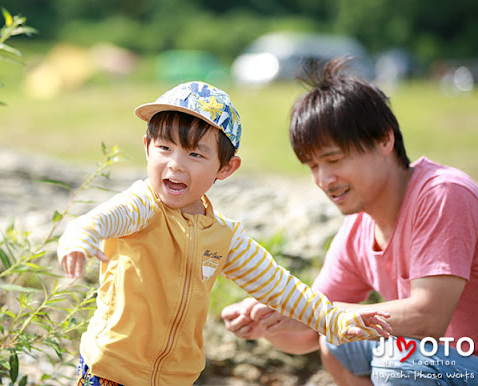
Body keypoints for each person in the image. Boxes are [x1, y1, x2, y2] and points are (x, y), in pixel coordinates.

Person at [58, 81, 392, 386]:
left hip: (176, 380)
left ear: (225, 168)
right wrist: (81, 236)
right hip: (110, 373)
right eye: (164, 148)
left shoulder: (223, 236)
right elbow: (103, 218)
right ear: (147, 147)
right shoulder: (143, 206)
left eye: (194, 154)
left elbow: (278, 285)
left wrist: (332, 320)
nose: (175, 164)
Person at [221, 57, 478, 385]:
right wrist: (268, 321)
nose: (324, 179)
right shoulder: (357, 230)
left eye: (334, 159)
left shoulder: (443, 194)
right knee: (337, 344)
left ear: (384, 140)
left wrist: (308, 310)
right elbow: (310, 335)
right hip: (438, 364)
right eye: (313, 166)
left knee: (398, 363)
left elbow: (428, 318)